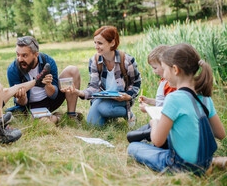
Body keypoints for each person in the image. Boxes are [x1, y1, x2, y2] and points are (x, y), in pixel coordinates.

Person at [128, 43, 226, 175]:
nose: (163, 74)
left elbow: (157, 141)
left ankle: (199, 165)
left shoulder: (173, 99)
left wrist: (154, 123)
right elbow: (221, 134)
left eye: (164, 68)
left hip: (180, 166)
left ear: (175, 69)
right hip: (203, 160)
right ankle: (211, 162)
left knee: (133, 147)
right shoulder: (205, 98)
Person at [69, 26, 141, 127]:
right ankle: (110, 117)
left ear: (112, 43)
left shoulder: (127, 60)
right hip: (103, 98)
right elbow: (94, 87)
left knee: (105, 109)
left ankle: (129, 114)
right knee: (92, 126)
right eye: (95, 43)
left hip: (122, 99)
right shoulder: (94, 60)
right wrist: (78, 92)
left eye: (100, 43)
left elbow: (136, 83)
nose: (96, 46)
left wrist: (128, 95)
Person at [7, 36, 81, 124]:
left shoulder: (48, 62)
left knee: (72, 70)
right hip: (30, 106)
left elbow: (53, 95)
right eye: (17, 55)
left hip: (50, 101)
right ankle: (58, 118)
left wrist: (48, 85)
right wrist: (21, 98)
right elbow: (21, 103)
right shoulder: (13, 69)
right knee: (42, 123)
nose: (20, 59)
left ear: (36, 55)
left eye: (24, 55)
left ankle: (71, 115)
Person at [127, 45, 176, 143]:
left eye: (155, 68)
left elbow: (167, 109)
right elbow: (162, 102)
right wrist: (149, 101)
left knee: (132, 137)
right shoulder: (163, 81)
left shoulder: (171, 84)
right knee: (133, 134)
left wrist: (147, 109)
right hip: (159, 120)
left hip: (164, 124)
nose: (154, 71)